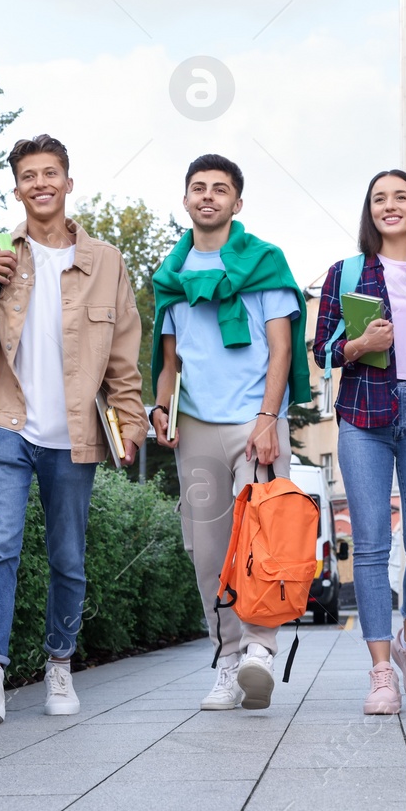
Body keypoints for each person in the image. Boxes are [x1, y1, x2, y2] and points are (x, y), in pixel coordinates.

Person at [0, 134, 144, 724]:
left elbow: (125, 353)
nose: (41, 184)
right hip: (7, 419)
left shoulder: (106, 262)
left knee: (67, 557)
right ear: (18, 187)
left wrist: (129, 423)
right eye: (29, 176)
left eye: (51, 173)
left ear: (69, 183)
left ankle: (58, 664)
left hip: (75, 434)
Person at [149, 154, 311, 712]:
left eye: (221, 189)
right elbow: (170, 362)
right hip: (195, 427)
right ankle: (225, 661)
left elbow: (282, 348)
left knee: (263, 541)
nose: (209, 196)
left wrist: (269, 419)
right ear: (186, 199)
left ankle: (259, 654)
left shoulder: (265, 262)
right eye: (199, 187)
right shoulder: (171, 275)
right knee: (209, 553)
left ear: (237, 203)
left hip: (253, 422)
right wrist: (160, 408)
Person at [311, 169, 406, 714]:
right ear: (369, 212)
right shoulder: (345, 273)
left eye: (401, 197)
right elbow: (322, 351)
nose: (390, 206)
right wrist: (357, 344)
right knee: (370, 546)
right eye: (379, 199)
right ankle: (380, 672)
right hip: (363, 414)